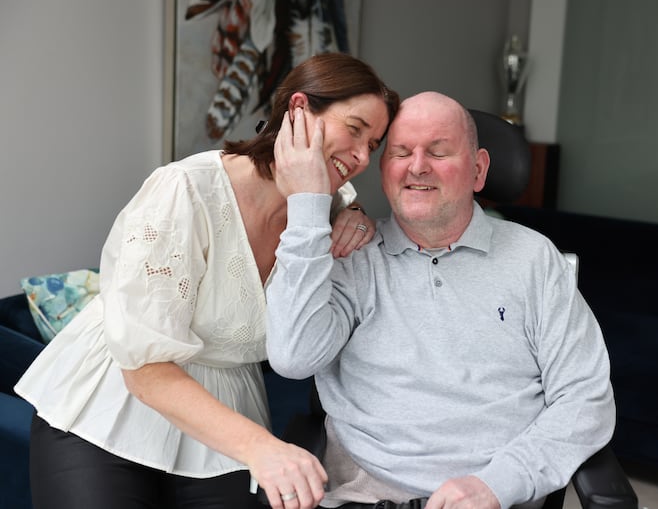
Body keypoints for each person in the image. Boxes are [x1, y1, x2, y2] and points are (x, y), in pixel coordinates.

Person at [14, 53, 399, 509]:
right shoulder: (183, 190)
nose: (360, 157)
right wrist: (263, 447)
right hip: (112, 400)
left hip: (225, 407)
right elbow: (146, 370)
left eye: (373, 145)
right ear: (299, 109)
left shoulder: (324, 211)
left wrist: (353, 216)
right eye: (354, 129)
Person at [266, 91, 616, 509]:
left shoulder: (535, 261)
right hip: (368, 499)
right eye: (400, 152)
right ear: (383, 171)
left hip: (495, 498)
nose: (417, 166)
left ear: (479, 170)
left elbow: (586, 398)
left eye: (438, 152)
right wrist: (307, 207)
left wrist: (498, 484)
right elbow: (291, 359)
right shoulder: (352, 256)